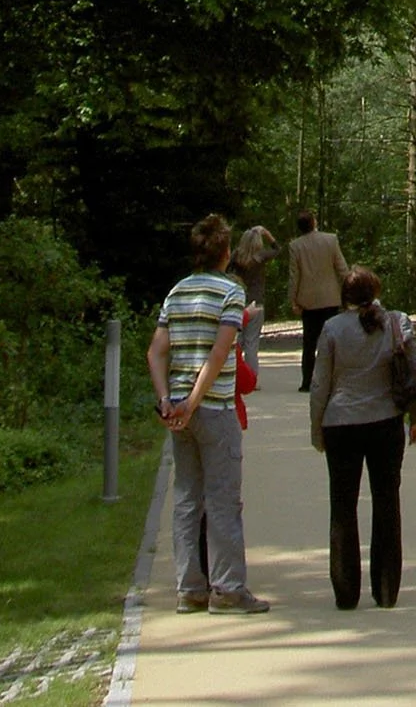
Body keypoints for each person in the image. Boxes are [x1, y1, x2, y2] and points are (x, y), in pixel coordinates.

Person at [146, 214, 270, 615]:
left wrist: (168, 400)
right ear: (226, 253)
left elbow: (156, 351)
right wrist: (194, 401)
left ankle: (189, 588)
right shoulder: (230, 293)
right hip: (212, 407)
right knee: (222, 500)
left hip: (179, 412)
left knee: (186, 498)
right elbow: (220, 353)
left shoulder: (176, 293)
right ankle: (229, 588)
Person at [309, 266, 416, 610]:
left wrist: (317, 429)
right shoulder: (397, 322)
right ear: (376, 291)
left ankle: (346, 592)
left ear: (344, 297)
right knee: (387, 503)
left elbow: (320, 385)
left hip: (341, 423)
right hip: (386, 422)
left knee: (342, 507)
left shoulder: (331, 329)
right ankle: (387, 589)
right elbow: (415, 372)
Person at [288, 209, 348, 392]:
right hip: (330, 299)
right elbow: (342, 268)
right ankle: (333, 381)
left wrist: (293, 300)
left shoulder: (296, 246)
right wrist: (349, 291)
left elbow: (294, 275)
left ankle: (307, 381)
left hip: (308, 301)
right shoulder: (330, 240)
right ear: (313, 222)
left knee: (309, 343)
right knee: (332, 342)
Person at [230, 224, 279, 383]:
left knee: (237, 340)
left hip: (238, 300)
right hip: (256, 302)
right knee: (252, 342)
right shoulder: (261, 256)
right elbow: (278, 249)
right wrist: (268, 234)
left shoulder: (236, 257)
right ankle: (251, 378)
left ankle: (233, 373)